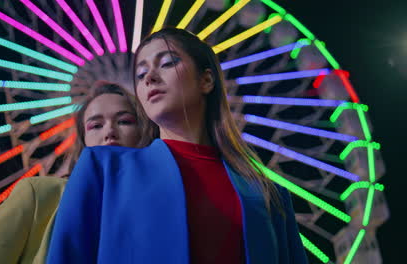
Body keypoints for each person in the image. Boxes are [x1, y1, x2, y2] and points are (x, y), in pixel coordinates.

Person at [47, 28, 308, 264]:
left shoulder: (269, 196)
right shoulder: (103, 169)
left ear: (206, 80)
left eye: (168, 63)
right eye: (140, 74)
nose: (149, 77)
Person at [0, 81, 146, 264]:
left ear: (143, 133)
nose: (110, 132)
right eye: (96, 125)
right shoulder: (40, 195)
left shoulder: (158, 207)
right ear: (83, 141)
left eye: (124, 122)